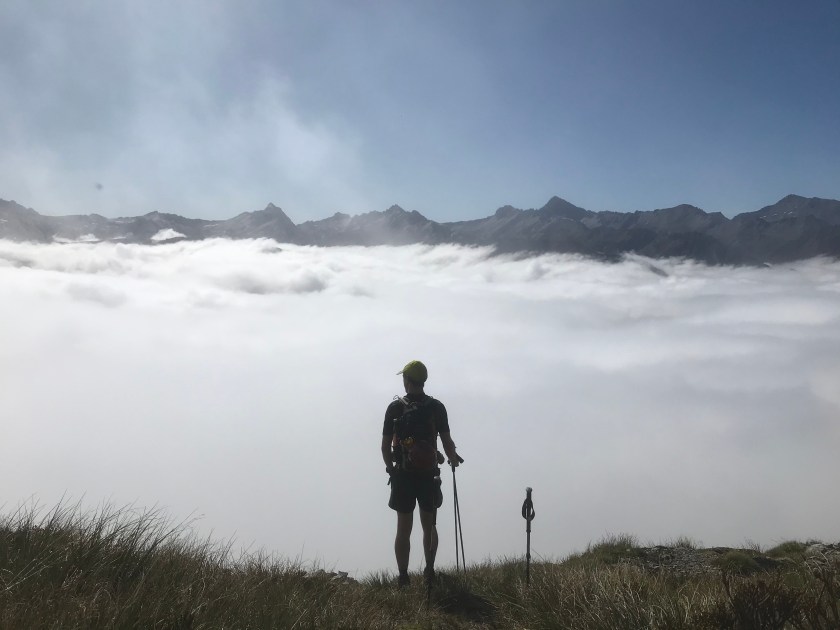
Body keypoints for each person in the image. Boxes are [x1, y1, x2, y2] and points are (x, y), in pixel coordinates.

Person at [381, 360, 461, 588]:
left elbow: (385, 447)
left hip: (403, 475)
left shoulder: (395, 408)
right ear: (423, 381)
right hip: (428, 475)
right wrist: (453, 458)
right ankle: (429, 570)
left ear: (407, 380)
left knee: (403, 529)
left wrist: (391, 469)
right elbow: (446, 441)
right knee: (429, 525)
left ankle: (403, 577)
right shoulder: (436, 407)